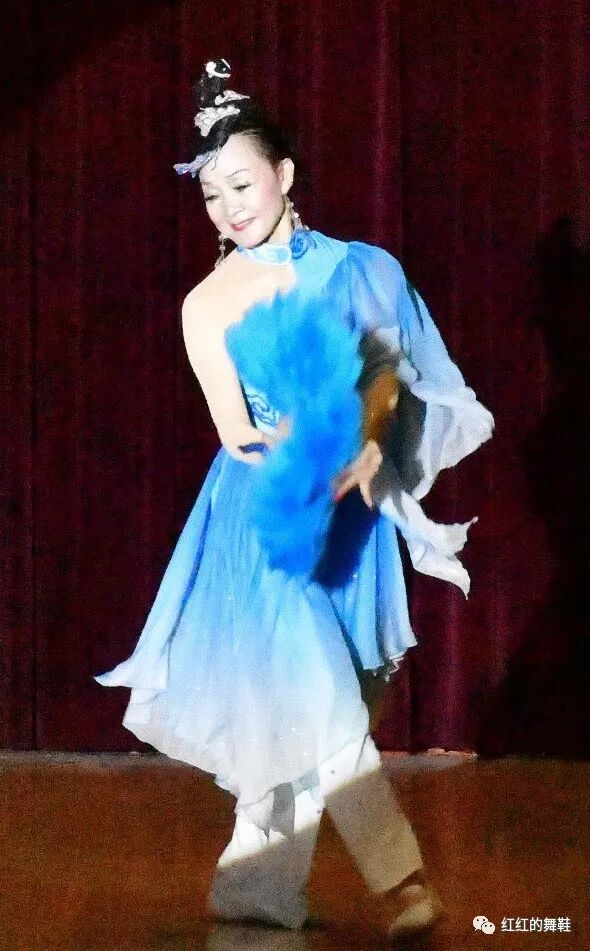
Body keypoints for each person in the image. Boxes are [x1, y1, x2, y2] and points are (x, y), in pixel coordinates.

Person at [94, 58, 494, 939]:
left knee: (322, 704)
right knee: (323, 703)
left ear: (284, 172)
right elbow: (235, 430)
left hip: (351, 516)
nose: (228, 206)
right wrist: (304, 445)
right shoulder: (209, 302)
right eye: (211, 194)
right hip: (266, 516)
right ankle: (403, 884)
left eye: (242, 183)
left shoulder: (362, 268)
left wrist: (365, 438)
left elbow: (388, 376)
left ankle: (256, 885)